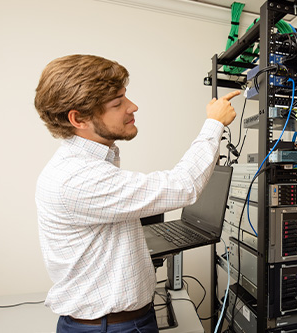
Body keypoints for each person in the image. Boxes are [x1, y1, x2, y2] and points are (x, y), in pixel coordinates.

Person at [34, 54, 240, 333]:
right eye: (118, 103)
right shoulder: (77, 178)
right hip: (111, 327)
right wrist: (214, 124)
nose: (133, 106)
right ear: (78, 118)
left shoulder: (86, 165)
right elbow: (183, 186)